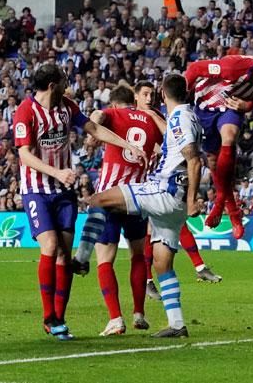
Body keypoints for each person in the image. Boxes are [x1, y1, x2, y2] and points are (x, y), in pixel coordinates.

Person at [14, 64, 146, 340]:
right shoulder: (26, 111)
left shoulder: (67, 106)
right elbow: (24, 155)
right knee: (50, 246)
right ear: (52, 85)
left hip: (64, 192)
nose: (67, 84)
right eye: (63, 81)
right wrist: (57, 173)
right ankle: (48, 316)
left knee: (64, 254)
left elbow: (94, 129)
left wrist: (127, 145)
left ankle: (59, 319)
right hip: (37, 189)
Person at [89, 74, 203, 338]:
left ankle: (80, 259)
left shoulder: (179, 118)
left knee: (99, 199)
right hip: (173, 200)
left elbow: (193, 160)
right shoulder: (185, 116)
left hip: (165, 191)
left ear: (163, 94)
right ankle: (176, 324)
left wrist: (191, 199)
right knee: (162, 262)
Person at [71, 85, 162, 336]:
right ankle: (139, 314)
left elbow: (96, 119)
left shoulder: (113, 114)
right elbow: (164, 148)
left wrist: (95, 124)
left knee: (105, 259)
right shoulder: (153, 119)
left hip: (110, 195)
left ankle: (115, 319)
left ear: (113, 103)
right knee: (138, 256)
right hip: (138, 198)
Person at [184, 55, 253, 239]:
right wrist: (181, 100)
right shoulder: (233, 68)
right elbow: (195, 68)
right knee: (213, 162)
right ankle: (233, 210)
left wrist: (247, 106)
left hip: (230, 107)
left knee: (229, 138)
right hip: (206, 106)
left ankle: (221, 204)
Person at [131, 81, 222, 300]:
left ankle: (189, 271)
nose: (149, 98)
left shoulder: (160, 116)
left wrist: (153, 119)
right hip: (141, 176)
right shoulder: (132, 117)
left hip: (162, 178)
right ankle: (148, 280)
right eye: (145, 94)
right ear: (135, 96)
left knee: (171, 226)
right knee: (148, 233)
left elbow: (170, 139)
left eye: (152, 94)